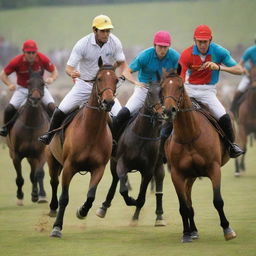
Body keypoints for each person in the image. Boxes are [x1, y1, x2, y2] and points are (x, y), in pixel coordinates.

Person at [39, 14, 132, 145]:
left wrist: (118, 75)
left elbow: (122, 62)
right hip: (85, 84)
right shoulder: (82, 44)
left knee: (119, 114)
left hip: (104, 86)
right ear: (95, 30)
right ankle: (49, 136)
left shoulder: (114, 42)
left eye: (108, 31)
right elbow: (68, 68)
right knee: (61, 110)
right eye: (103, 31)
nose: (106, 34)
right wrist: (72, 73)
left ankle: (115, 143)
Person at [179, 24, 244, 158]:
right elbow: (180, 77)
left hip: (208, 92)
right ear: (194, 40)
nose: (202, 45)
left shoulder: (219, 52)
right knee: (171, 116)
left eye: (205, 41)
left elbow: (239, 70)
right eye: (199, 41)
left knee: (224, 117)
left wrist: (219, 67)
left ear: (211, 40)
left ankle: (231, 146)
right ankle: (163, 148)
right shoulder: (186, 54)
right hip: (189, 90)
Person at [112, 30, 180, 143]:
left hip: (164, 92)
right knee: (123, 114)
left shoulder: (175, 56)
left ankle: (167, 147)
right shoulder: (145, 55)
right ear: (154, 45)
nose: (163, 50)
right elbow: (126, 72)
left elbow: (183, 73)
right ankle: (115, 142)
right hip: (144, 90)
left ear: (169, 47)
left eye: (165, 47)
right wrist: (136, 83)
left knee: (176, 116)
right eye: (160, 46)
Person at [0, 39, 58, 137]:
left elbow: (54, 70)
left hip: (39, 89)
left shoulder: (42, 58)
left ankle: (56, 131)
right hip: (22, 89)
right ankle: (6, 129)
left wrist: (52, 78)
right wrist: (9, 84)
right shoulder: (17, 61)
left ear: (36, 51)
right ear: (24, 52)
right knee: (9, 109)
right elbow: (3, 74)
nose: (31, 55)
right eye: (28, 52)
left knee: (52, 108)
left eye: (33, 52)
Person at [230, 39, 256, 115]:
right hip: (250, 76)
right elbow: (240, 64)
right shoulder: (250, 51)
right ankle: (233, 110)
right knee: (239, 90)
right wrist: (245, 69)